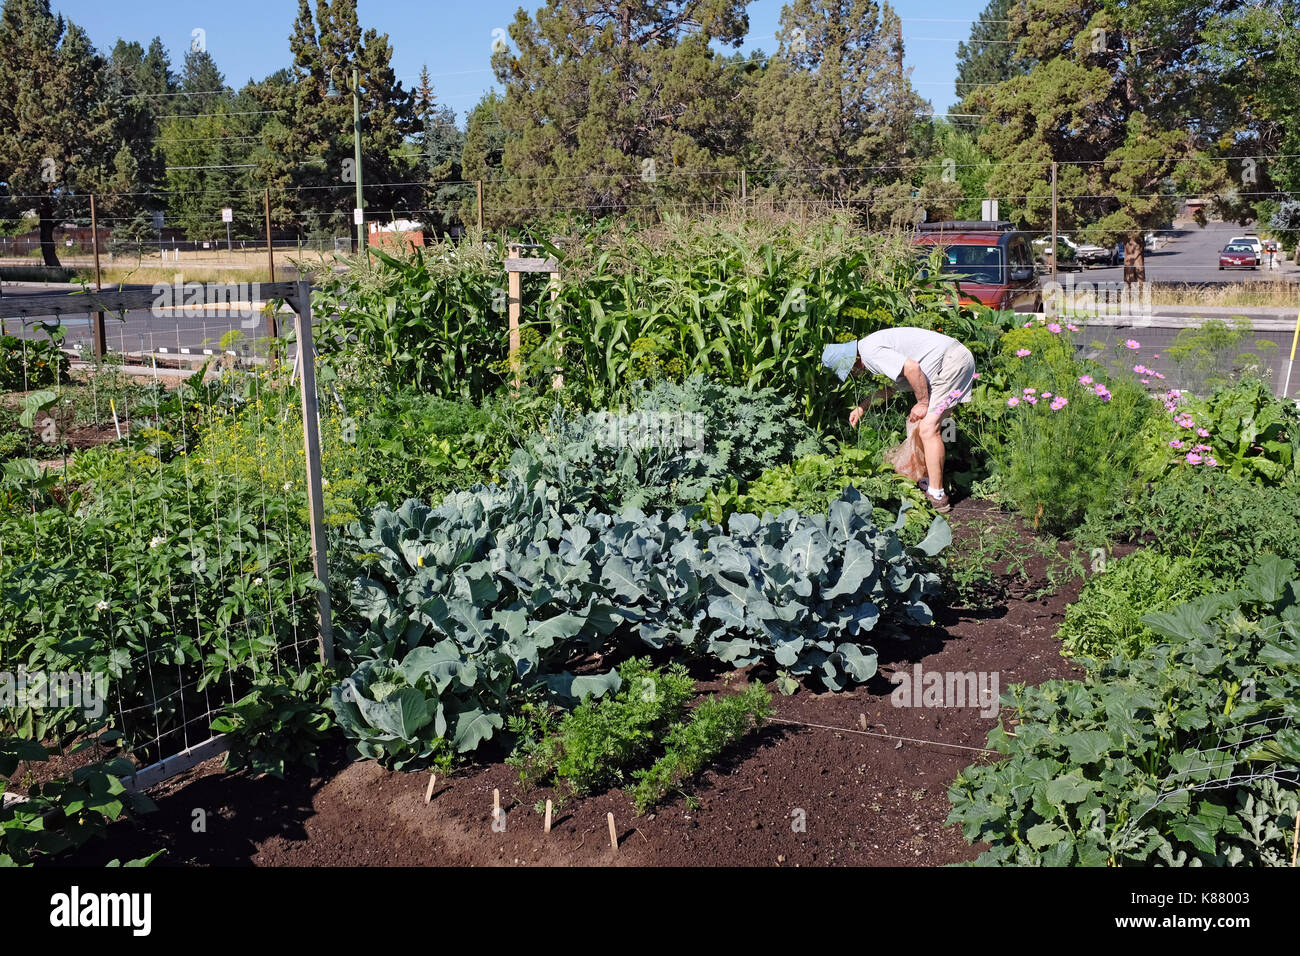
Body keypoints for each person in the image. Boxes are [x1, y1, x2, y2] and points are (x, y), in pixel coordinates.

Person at [821, 328, 977, 514]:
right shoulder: (869, 347)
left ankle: (937, 495)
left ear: (853, 362)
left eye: (849, 372)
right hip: (952, 361)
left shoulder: (870, 353)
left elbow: (912, 368)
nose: (853, 375)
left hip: (951, 363)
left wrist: (922, 402)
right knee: (922, 426)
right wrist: (863, 406)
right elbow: (891, 389)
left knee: (928, 428)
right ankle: (928, 480)